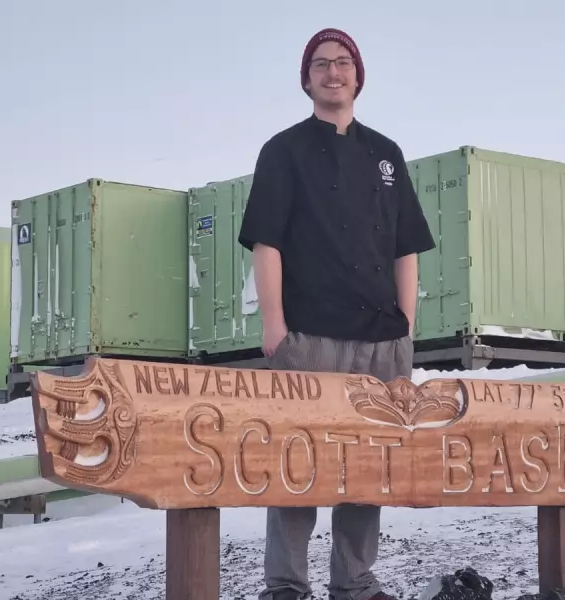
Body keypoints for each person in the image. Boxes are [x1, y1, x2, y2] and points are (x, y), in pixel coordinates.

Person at [237, 27, 436, 600]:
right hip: (310, 334)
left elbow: (405, 247)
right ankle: (286, 585)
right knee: (296, 462)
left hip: (381, 338)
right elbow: (267, 243)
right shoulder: (283, 150)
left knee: (368, 467)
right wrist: (274, 326)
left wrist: (406, 326)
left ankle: (356, 582)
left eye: (343, 62)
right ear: (307, 81)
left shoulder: (386, 154)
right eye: (321, 64)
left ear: (358, 76)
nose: (333, 72)